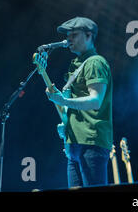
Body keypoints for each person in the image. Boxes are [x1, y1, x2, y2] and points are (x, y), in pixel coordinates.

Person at [45, 16, 113, 188]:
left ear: (89, 36)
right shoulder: (76, 65)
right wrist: (66, 123)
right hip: (74, 143)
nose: (69, 39)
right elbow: (72, 104)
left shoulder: (95, 62)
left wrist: (64, 101)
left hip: (91, 142)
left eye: (74, 35)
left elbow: (96, 101)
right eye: (68, 35)